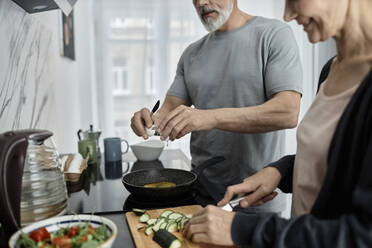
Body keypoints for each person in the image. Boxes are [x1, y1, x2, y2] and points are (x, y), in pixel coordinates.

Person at [183, 0, 372, 247]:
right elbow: (337, 160)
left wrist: (245, 230)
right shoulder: (332, 69)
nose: (288, 14)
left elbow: (363, 235)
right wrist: (281, 171)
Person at [130, 0, 302, 213]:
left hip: (255, 198)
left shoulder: (273, 34)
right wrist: (149, 120)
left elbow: (287, 112)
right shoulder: (191, 54)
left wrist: (209, 117)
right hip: (199, 195)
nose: (201, 2)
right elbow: (167, 111)